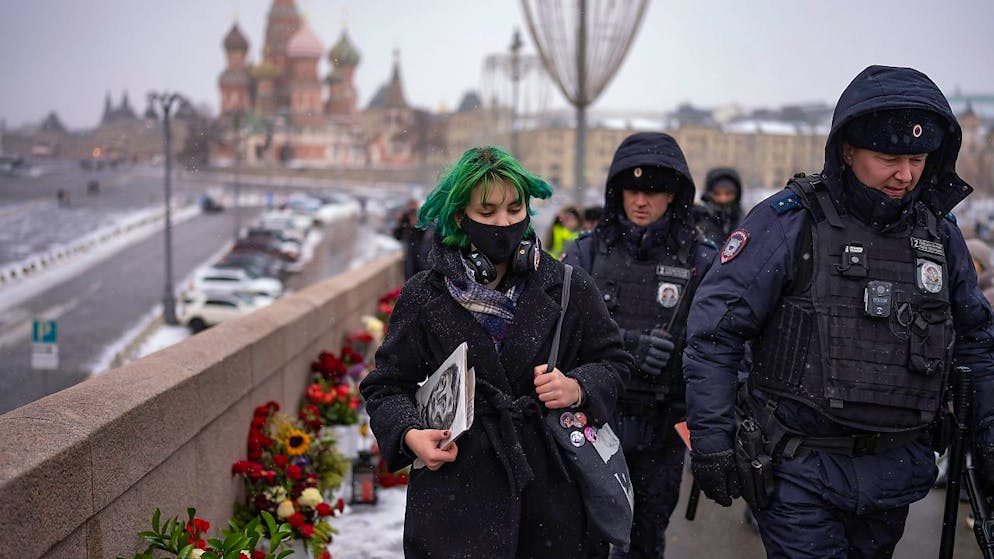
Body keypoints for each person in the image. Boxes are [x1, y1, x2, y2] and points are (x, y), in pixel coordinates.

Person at [684, 65, 994, 558]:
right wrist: (712, 440)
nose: (906, 174)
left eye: (917, 158)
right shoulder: (789, 222)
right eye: (889, 157)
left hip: (894, 472)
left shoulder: (939, 234)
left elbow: (977, 341)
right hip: (797, 470)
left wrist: (989, 438)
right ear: (848, 150)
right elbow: (715, 335)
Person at [360, 146, 632, 558]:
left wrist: (577, 387)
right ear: (459, 217)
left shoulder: (570, 286)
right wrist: (411, 435)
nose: (503, 224)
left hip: (554, 491)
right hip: (456, 492)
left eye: (513, 208)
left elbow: (615, 363)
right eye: (486, 213)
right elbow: (386, 386)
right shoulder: (424, 295)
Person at [563, 132, 717, 558]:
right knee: (585, 538)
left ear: (674, 195)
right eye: (632, 189)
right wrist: (629, 347)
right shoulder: (587, 252)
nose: (641, 201)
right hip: (593, 424)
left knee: (644, 541)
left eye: (653, 191)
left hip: (660, 428)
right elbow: (560, 330)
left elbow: (721, 345)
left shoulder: (701, 259)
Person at [692, 166, 743, 245]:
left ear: (737, 195)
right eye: (717, 193)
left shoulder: (743, 219)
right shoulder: (697, 217)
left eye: (728, 194)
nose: (723, 199)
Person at [392, 198, 431, 279]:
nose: (412, 213)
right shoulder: (405, 221)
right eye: (411, 211)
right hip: (410, 261)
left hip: (422, 260)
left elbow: (427, 233)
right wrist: (400, 224)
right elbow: (397, 236)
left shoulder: (423, 220)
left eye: (414, 210)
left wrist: (418, 223)